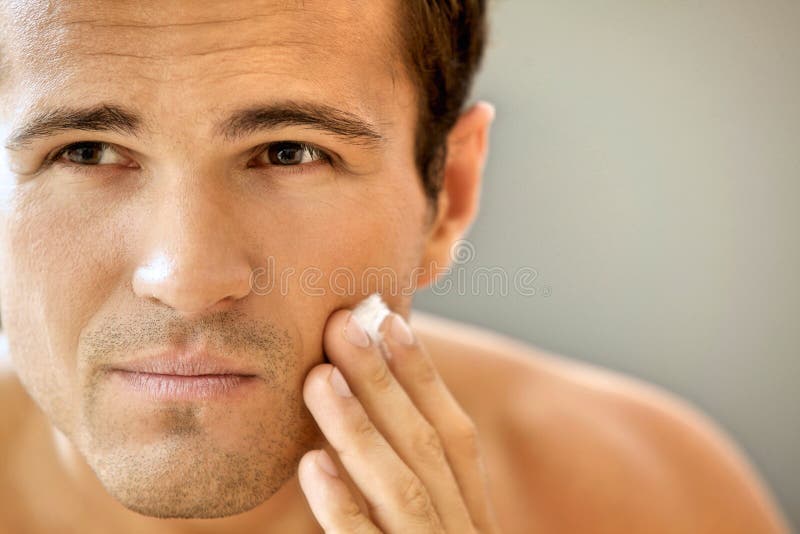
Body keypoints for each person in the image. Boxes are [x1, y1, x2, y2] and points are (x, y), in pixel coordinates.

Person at [0, 1, 790, 532]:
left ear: (447, 196)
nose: (186, 277)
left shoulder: (648, 498)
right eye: (85, 152)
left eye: (289, 152)